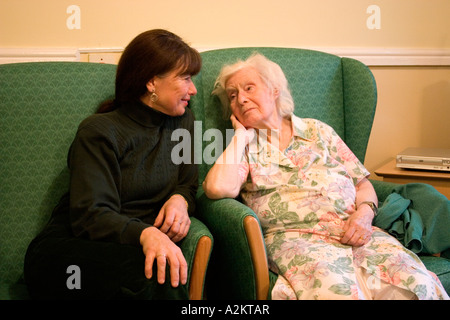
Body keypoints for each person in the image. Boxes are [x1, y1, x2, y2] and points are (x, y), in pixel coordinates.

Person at [202, 53, 449, 300]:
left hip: (356, 234)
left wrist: (364, 214)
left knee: (418, 285)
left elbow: (362, 184)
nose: (241, 99)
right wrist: (241, 137)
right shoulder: (244, 149)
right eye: (233, 96)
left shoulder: (318, 131)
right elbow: (216, 188)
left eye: (249, 88)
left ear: (274, 90)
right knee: (336, 293)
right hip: (299, 243)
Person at [24, 29, 201, 299]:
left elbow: (188, 182)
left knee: (160, 272)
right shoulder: (99, 131)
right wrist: (147, 235)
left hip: (131, 244)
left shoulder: (184, 121)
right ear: (152, 82)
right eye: (185, 78)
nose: (193, 89)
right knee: (153, 275)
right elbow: (91, 216)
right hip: (74, 245)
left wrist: (180, 199)